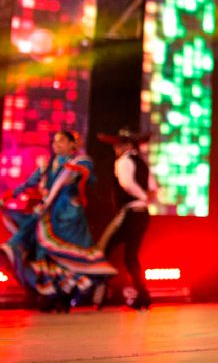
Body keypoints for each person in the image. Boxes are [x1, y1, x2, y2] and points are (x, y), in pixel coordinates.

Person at [0, 131, 115, 312]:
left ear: (72, 144)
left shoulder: (80, 162)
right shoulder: (48, 165)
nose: (56, 144)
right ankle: (50, 295)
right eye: (54, 141)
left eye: (61, 141)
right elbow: (29, 183)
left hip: (69, 218)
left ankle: (68, 295)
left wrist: (67, 178)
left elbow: (80, 177)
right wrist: (9, 195)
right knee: (42, 255)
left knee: (68, 258)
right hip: (48, 216)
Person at [94, 129, 156, 310]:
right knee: (130, 257)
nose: (116, 148)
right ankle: (143, 295)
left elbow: (127, 184)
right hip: (142, 214)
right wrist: (146, 197)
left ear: (128, 145)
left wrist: (142, 196)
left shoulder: (124, 161)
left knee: (104, 249)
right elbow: (154, 187)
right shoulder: (142, 163)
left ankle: (102, 294)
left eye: (119, 144)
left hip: (130, 213)